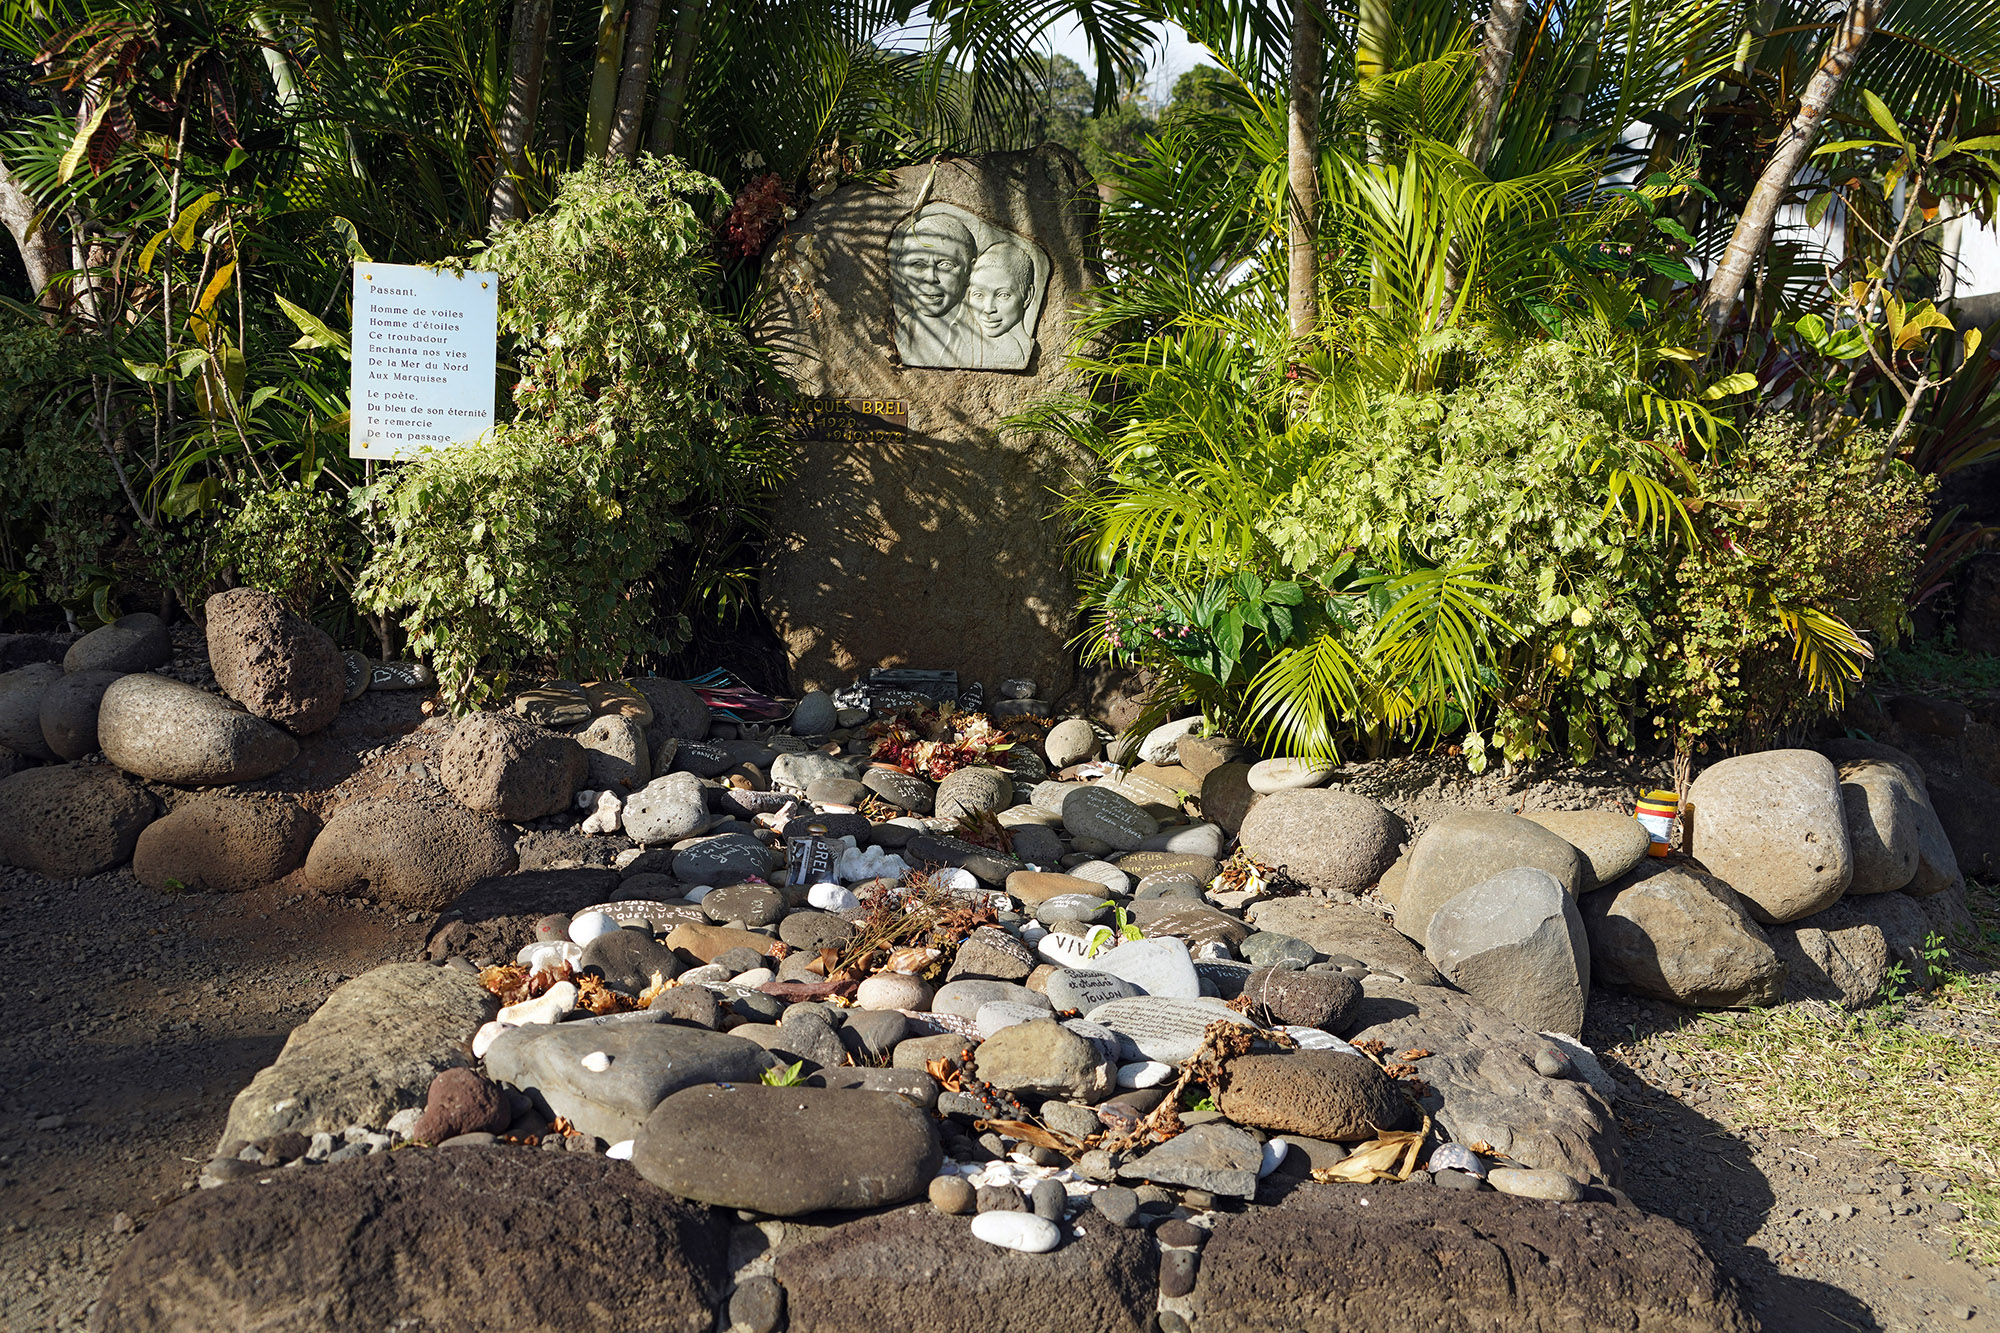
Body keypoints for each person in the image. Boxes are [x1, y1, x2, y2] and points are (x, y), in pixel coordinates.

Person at [889, 212, 976, 368]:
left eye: (945, 265)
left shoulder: (991, 338)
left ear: (968, 271)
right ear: (901, 269)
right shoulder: (899, 335)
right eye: (918, 264)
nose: (930, 277)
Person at [958, 240, 1038, 369]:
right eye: (979, 295)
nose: (988, 309)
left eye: (1003, 295)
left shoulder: (1017, 351)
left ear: (1027, 296)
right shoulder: (961, 346)